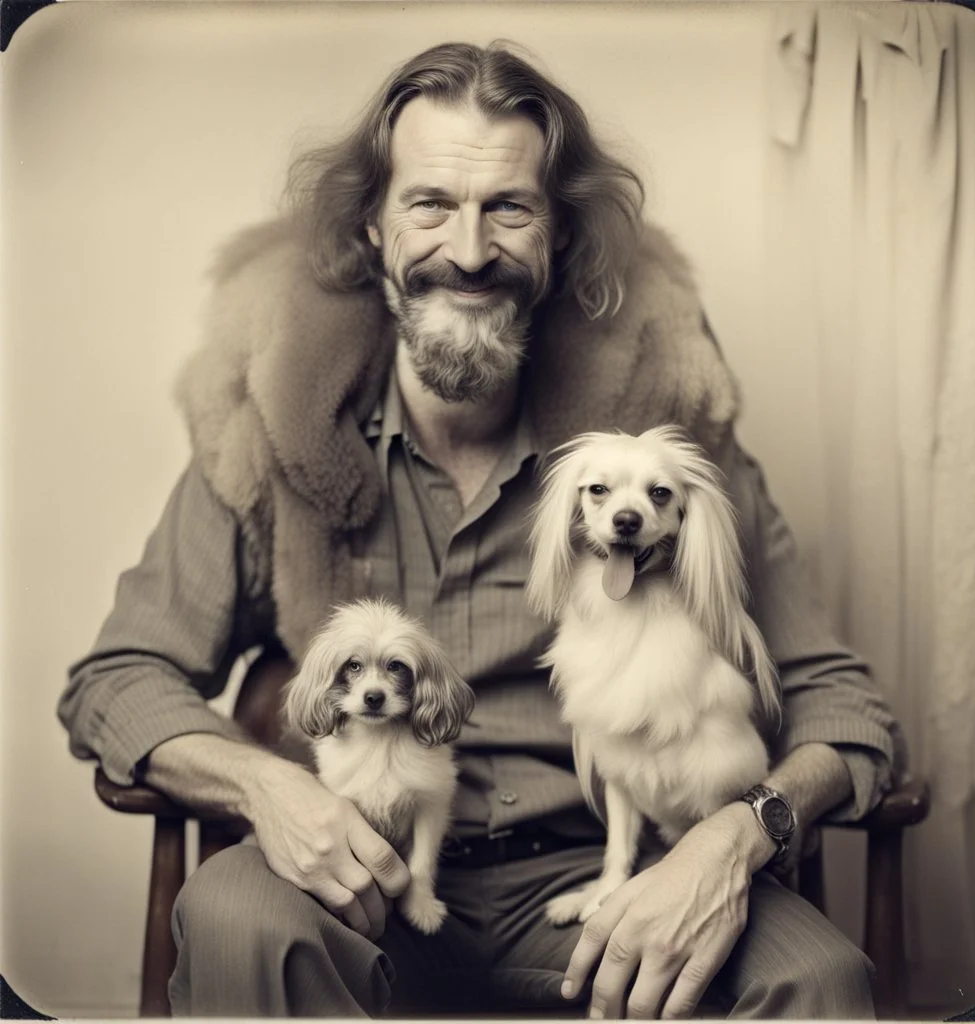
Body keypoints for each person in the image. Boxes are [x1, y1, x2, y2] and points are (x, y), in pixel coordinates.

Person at [58, 41, 902, 1019]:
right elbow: (118, 679)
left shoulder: (661, 454)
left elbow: (840, 706)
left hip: (609, 878)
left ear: (557, 238)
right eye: (429, 205)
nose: (467, 251)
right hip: (361, 867)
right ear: (371, 228)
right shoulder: (269, 433)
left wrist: (738, 836)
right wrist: (264, 790)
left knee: (818, 976)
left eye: (509, 207)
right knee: (239, 914)